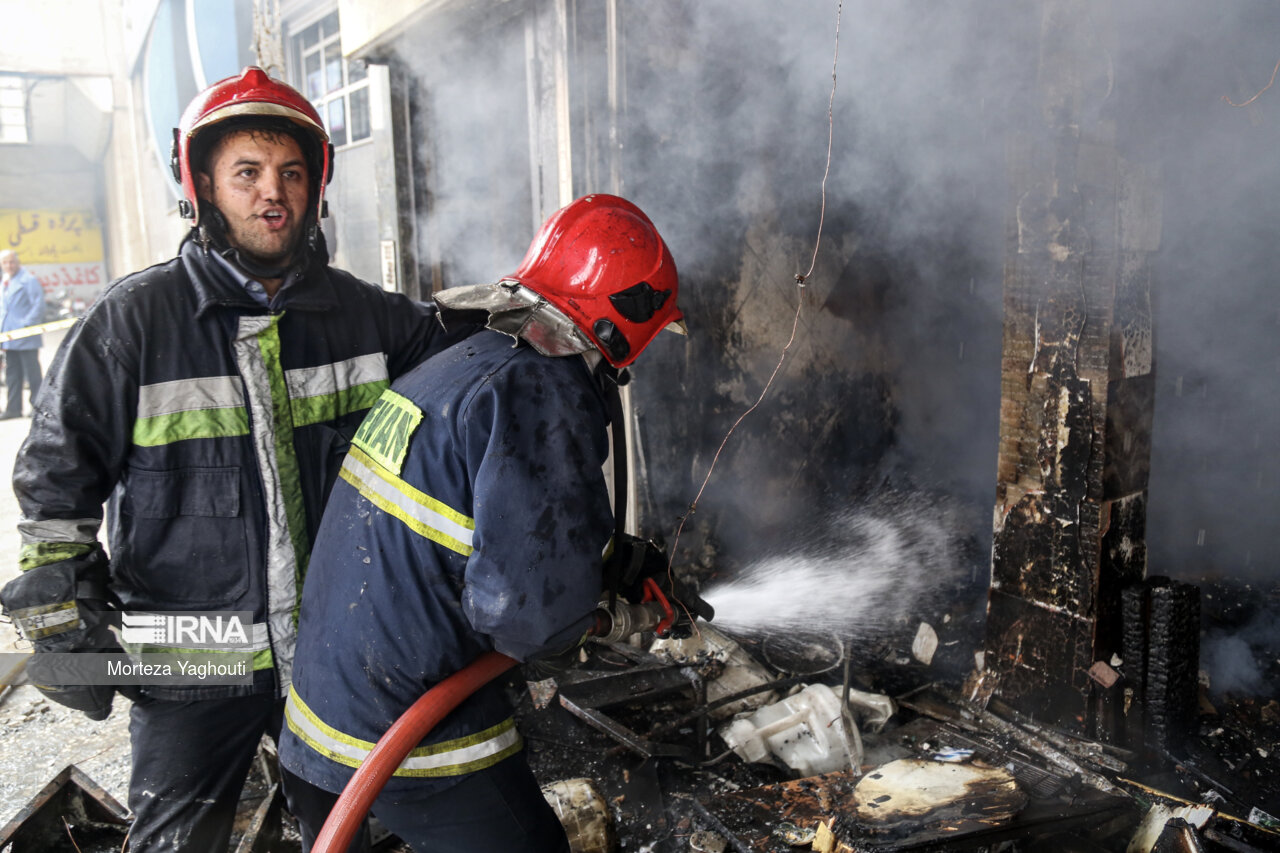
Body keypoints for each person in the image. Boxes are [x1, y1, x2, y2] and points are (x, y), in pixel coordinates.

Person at [0, 67, 474, 852]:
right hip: (190, 658)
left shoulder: (369, 316)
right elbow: (54, 485)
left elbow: (478, 385)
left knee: (346, 833)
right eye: (247, 173)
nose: (272, 194)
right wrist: (64, 616)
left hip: (335, 647)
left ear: (315, 186)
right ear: (205, 188)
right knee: (178, 840)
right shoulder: (133, 324)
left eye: (291, 173)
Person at [277, 194, 685, 851]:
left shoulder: (468, 364)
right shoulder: (544, 391)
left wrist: (608, 559)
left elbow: (486, 519)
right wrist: (613, 614)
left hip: (321, 722)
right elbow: (531, 620)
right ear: (626, 319)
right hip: (406, 738)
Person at [0, 249, 45, 419]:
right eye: (5, 263)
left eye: (12, 262)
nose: (9, 266)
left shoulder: (28, 280)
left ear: (17, 262)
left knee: (32, 374)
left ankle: (38, 407)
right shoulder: (5, 281)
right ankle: (13, 408)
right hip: (9, 337)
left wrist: (26, 325)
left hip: (26, 336)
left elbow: (38, 305)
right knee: (12, 374)